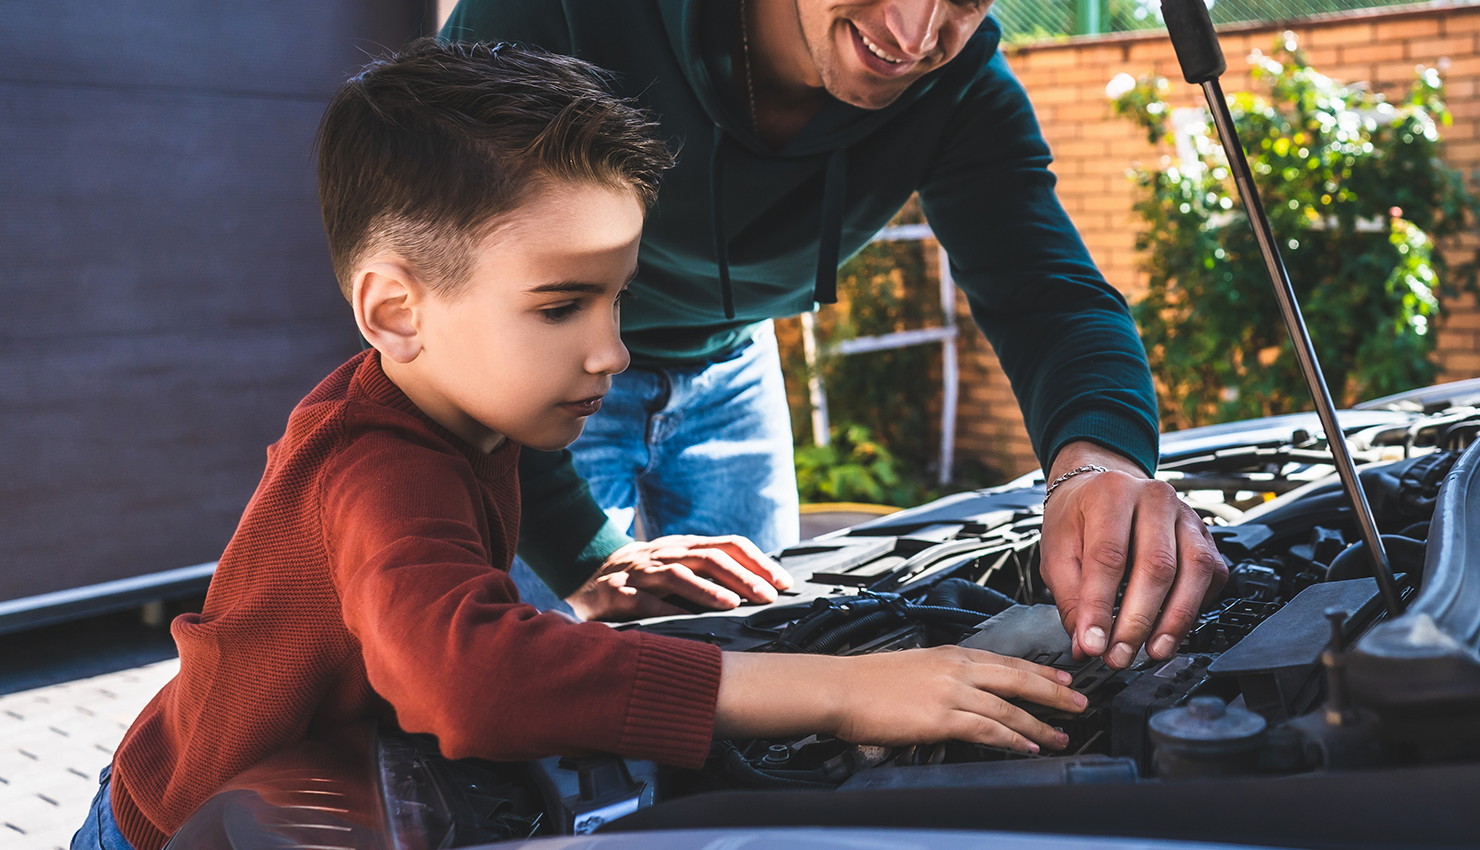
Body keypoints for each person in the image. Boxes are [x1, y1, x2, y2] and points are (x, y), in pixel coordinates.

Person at [73, 41, 1086, 850]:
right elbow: (464, 680)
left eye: (616, 296)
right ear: (395, 310)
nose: (610, 351)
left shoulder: (463, 414)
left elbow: (401, 620)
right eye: (561, 305)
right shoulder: (375, 466)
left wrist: (577, 608)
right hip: (177, 829)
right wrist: (845, 691)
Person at [447, 0, 1229, 670]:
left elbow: (1050, 294)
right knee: (554, 711)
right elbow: (452, 286)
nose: (914, 33)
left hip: (733, 370)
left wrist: (1100, 467)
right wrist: (583, 552)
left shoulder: (962, 86)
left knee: (786, 674)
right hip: (545, 387)